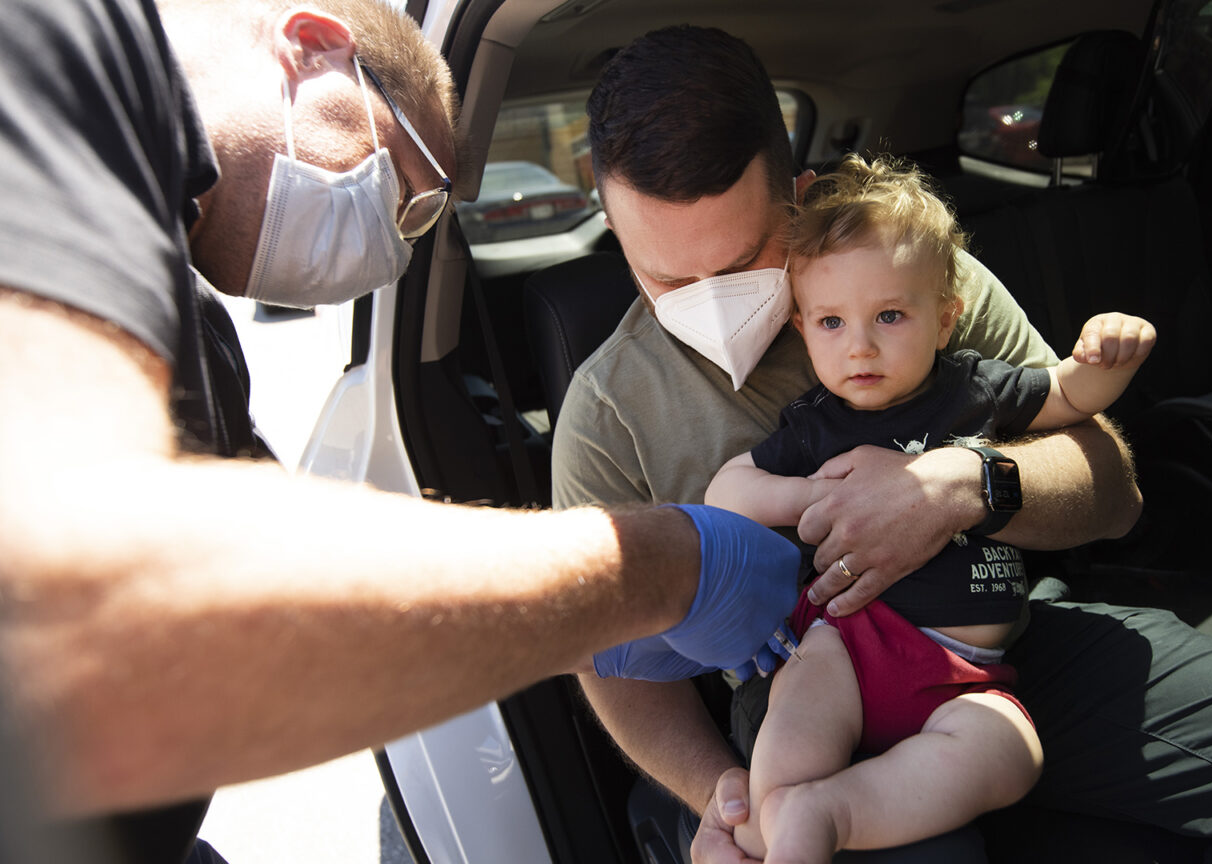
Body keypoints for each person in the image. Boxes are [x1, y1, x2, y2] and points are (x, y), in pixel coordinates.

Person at [0, 2, 799, 862]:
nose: (391, 243)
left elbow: (285, 633)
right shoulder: (56, 46)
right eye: (404, 192)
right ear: (314, 48)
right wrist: (665, 566)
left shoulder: (193, 334)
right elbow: (76, 598)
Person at [558, 23, 1212, 863]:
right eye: (666, 278)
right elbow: (608, 656)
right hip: (806, 693)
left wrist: (963, 485)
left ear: (799, 197)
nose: (711, 302)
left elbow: (1112, 486)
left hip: (992, 642)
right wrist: (717, 799)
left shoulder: (903, 276)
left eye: (740, 260)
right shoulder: (609, 413)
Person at [702, 154, 1157, 861]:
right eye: (830, 322)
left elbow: (1069, 396)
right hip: (847, 642)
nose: (860, 345)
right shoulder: (815, 424)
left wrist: (1109, 361)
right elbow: (727, 490)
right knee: (793, 725)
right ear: (802, 329)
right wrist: (811, 495)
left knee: (1010, 755)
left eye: (890, 315)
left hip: (969, 672)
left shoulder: (975, 389)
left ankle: (829, 814)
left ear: (945, 320)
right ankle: (778, 819)